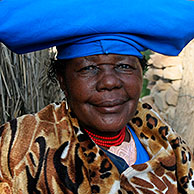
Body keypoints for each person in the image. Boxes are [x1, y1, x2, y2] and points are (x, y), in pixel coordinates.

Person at [0, 0, 194, 193]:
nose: (109, 82)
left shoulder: (166, 143)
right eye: (89, 68)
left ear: (140, 74)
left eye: (124, 66)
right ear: (62, 80)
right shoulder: (19, 151)